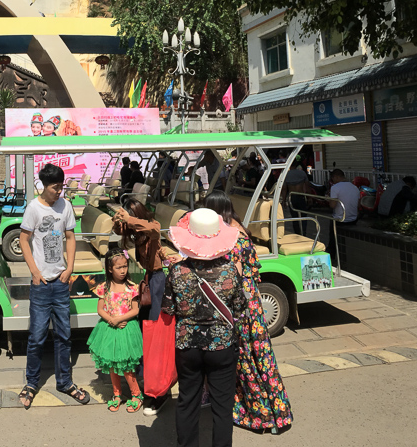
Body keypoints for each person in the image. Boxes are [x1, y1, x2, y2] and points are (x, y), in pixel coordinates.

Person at [204, 190, 293, 433]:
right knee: (261, 357)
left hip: (238, 306)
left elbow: (234, 276)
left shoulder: (228, 238)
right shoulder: (240, 230)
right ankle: (277, 413)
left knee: (246, 358)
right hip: (251, 302)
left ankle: (260, 415)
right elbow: (252, 272)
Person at [162, 208, 246, 447]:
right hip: (221, 346)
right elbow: (240, 308)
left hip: (187, 345)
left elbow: (168, 309)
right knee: (222, 405)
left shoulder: (177, 271)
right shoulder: (230, 270)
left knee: (188, 401)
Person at [17, 164, 89, 408]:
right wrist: (35, 272)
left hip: (60, 281)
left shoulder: (65, 206)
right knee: (36, 337)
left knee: (64, 336)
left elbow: (70, 237)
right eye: (55, 187)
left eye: (61, 186)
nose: (59, 191)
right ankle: (31, 383)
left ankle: (65, 382)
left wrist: (69, 269)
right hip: (41, 284)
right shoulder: (33, 208)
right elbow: (23, 240)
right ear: (43, 186)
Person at [112, 199, 177, 415]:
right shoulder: (138, 233)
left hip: (157, 283)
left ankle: (160, 390)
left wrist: (129, 219)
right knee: (145, 335)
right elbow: (121, 233)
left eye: (132, 218)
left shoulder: (151, 228)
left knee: (156, 337)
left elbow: (154, 229)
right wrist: (119, 223)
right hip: (149, 282)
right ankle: (150, 382)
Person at [88, 250, 144, 412]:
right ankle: (117, 394)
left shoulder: (132, 288)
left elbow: (135, 310)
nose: (123, 270)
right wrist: (111, 319)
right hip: (109, 329)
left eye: (125, 266)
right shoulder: (104, 287)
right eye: (119, 267)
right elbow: (100, 309)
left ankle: (136, 394)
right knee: (112, 366)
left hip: (127, 329)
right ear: (110, 269)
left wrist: (119, 319)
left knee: (127, 367)